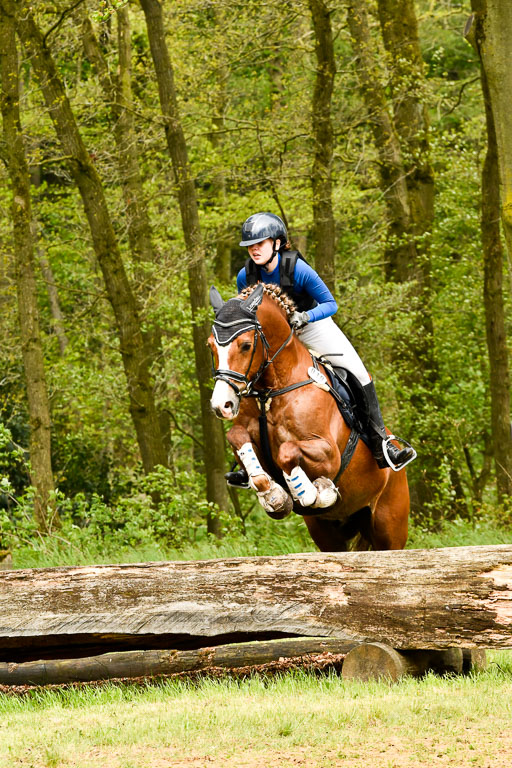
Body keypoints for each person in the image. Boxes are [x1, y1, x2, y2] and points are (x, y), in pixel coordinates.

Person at [225, 211, 415, 486]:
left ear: (277, 243)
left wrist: (305, 317)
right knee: (244, 375)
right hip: (274, 339)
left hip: (312, 326)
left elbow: (330, 304)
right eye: (250, 246)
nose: (254, 250)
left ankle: (381, 443)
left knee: (358, 372)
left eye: (261, 243)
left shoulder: (298, 269)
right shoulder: (246, 276)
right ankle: (246, 460)